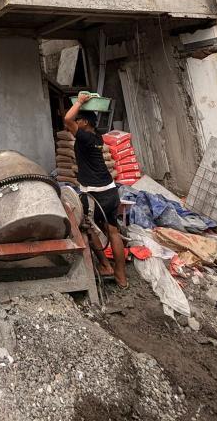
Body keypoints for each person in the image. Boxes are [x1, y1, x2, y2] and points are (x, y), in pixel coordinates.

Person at [64, 93, 128, 288]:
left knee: (88, 229)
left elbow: (67, 119)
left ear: (84, 123)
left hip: (94, 193)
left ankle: (106, 266)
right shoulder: (97, 137)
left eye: (79, 120)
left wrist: (80, 102)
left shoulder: (84, 137)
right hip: (110, 189)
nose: (76, 123)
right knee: (113, 232)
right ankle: (121, 276)